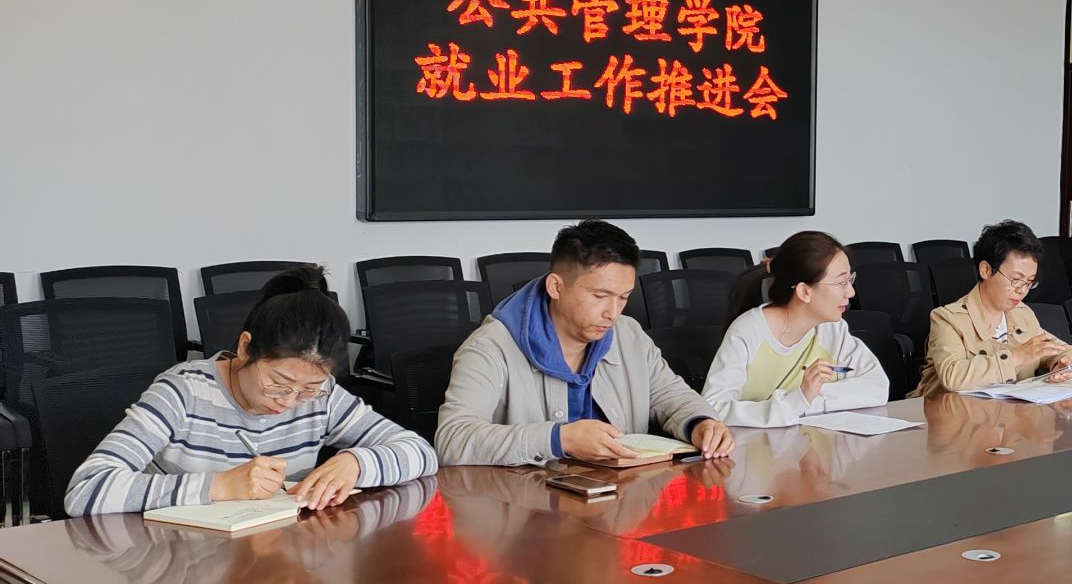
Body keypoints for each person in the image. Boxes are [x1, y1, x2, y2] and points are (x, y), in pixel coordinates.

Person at [67, 266, 436, 516]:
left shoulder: (322, 398)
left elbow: (421, 453)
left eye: (308, 389)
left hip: (273, 561)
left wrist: (357, 463)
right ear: (245, 347)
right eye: (277, 383)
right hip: (183, 565)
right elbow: (87, 489)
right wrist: (219, 486)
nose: (289, 402)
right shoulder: (182, 392)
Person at [438, 220, 733, 463]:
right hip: (529, 507)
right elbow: (453, 439)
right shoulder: (489, 347)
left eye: (623, 297)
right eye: (600, 296)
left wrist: (700, 423)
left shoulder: (629, 334)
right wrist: (559, 439)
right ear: (555, 287)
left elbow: (671, 396)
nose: (613, 313)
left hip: (619, 501)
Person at [701, 231, 890, 426]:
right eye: (841, 283)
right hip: (752, 444)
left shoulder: (833, 329)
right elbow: (714, 408)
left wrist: (807, 400)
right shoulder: (748, 331)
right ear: (805, 291)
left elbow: (877, 387)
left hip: (807, 439)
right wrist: (796, 401)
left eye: (850, 280)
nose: (851, 292)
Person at [917, 220, 1072, 396]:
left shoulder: (1023, 314)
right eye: (1015, 280)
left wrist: (1066, 364)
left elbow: (1063, 350)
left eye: (1029, 282)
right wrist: (1017, 357)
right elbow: (953, 377)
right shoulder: (948, 318)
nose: (1022, 290)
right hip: (952, 411)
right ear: (986, 270)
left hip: (1009, 410)